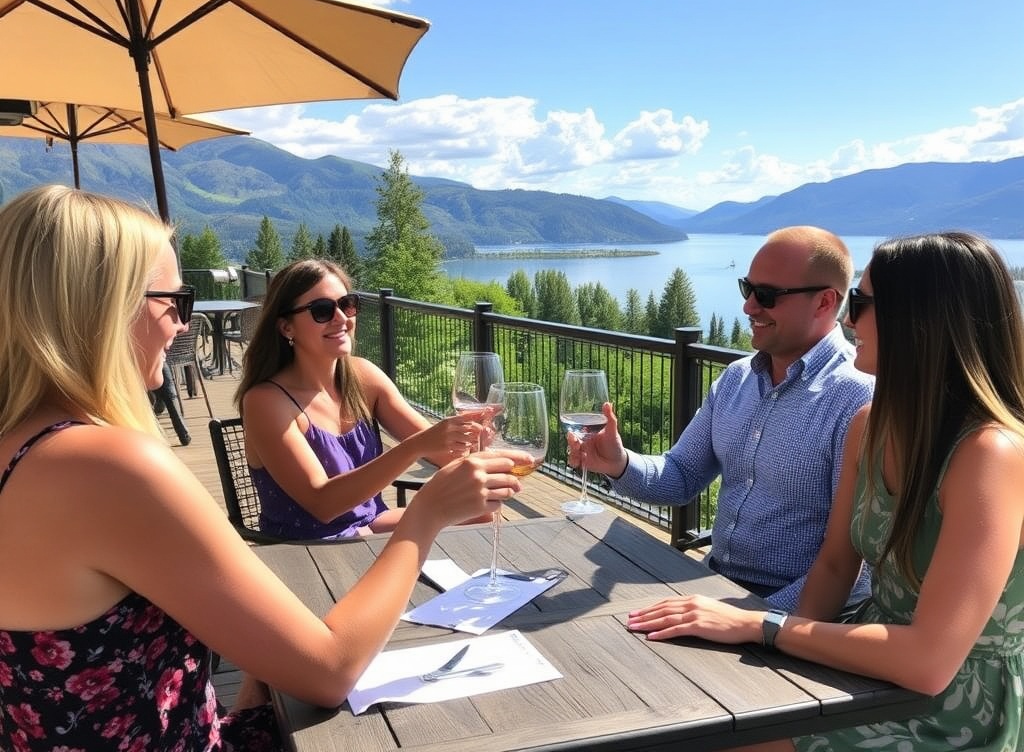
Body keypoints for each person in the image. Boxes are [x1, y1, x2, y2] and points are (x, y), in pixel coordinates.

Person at [0, 185, 527, 751]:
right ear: (102, 307)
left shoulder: (24, 449)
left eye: (349, 305)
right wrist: (425, 515)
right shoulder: (109, 467)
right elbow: (330, 671)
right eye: (174, 301)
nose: (183, 325)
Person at [627, 231, 1024, 751]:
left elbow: (929, 663)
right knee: (680, 706)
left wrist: (761, 627)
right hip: (865, 660)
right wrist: (766, 670)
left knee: (706, 738)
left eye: (860, 304)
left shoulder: (991, 453)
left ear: (920, 320)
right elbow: (836, 566)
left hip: (953, 705)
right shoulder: (871, 425)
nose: (848, 321)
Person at [569, 226, 874, 611]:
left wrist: (748, 620)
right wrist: (619, 463)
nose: (749, 307)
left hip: (793, 615)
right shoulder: (737, 379)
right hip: (714, 587)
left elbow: (853, 568)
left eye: (766, 295)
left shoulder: (857, 398)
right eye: (748, 289)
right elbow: (681, 475)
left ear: (824, 302)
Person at [235, 259, 494, 541]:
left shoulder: (363, 377)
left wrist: (476, 444)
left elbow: (442, 451)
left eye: (346, 304)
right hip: (308, 546)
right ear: (286, 327)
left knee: (483, 513)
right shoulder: (266, 401)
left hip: (369, 526)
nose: (341, 318)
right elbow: (322, 504)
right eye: (322, 310)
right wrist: (415, 447)